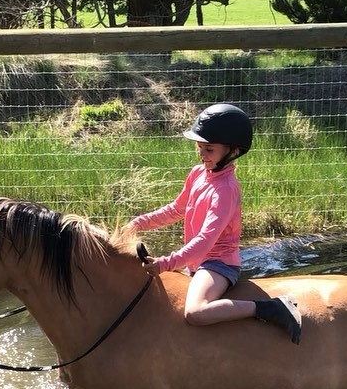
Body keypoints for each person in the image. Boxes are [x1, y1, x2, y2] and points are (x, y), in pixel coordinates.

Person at [123, 103, 301, 344]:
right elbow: (177, 208)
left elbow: (206, 240)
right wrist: (139, 222)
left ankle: (269, 309)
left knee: (195, 312)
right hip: (197, 261)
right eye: (199, 147)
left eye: (209, 149)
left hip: (218, 264)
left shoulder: (226, 190)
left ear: (233, 151)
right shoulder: (198, 173)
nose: (201, 154)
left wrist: (167, 263)